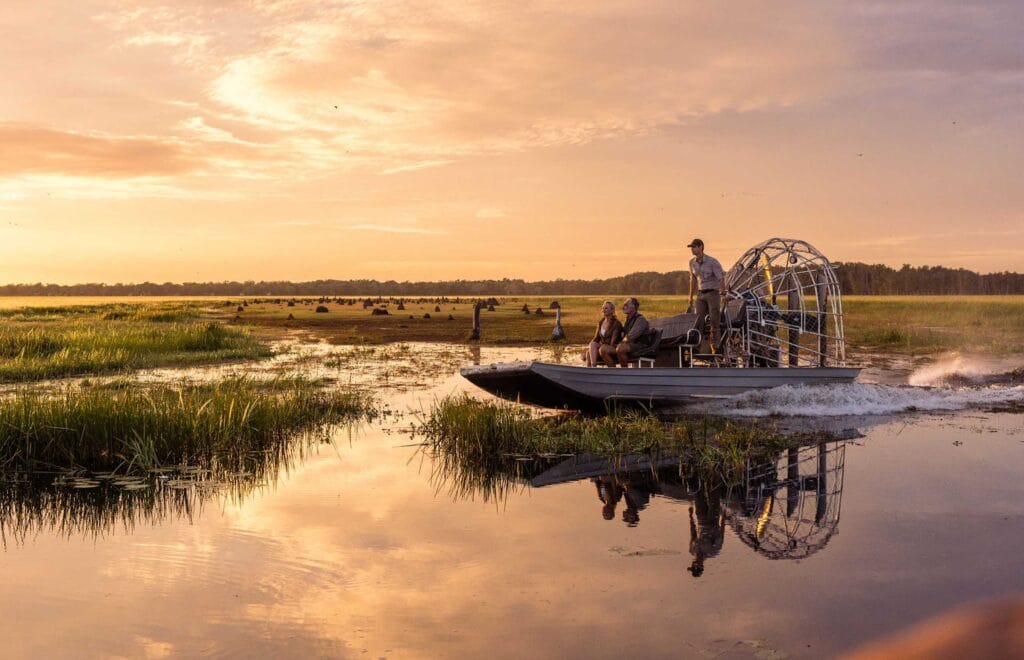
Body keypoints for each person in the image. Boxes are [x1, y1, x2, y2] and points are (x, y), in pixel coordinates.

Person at [686, 238, 727, 353]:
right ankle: (696, 347)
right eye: (691, 247)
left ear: (701, 247)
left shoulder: (712, 262)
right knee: (698, 321)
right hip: (701, 294)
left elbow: (721, 278)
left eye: (694, 247)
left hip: (713, 294)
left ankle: (716, 347)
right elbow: (693, 280)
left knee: (714, 321)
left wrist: (723, 294)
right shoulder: (692, 262)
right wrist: (690, 296)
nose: (692, 249)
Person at [611, 297, 651, 367]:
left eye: (626, 305)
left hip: (640, 345)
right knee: (605, 349)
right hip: (630, 344)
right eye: (623, 305)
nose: (624, 307)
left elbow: (631, 336)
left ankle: (625, 371)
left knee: (620, 348)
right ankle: (612, 372)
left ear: (634, 307)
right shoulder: (627, 320)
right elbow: (622, 334)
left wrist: (621, 343)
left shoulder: (640, 319)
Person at [582, 301, 623, 367]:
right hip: (602, 346)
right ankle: (592, 371)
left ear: (612, 310)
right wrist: (589, 349)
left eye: (606, 308)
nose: (603, 310)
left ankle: (595, 369)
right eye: (603, 308)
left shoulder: (616, 324)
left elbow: (613, 342)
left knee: (601, 349)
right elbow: (595, 339)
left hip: (613, 348)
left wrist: (599, 347)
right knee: (588, 353)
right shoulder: (600, 322)